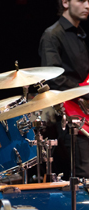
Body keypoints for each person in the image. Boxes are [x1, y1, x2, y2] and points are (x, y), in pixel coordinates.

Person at [39, 0, 89, 180]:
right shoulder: (52, 35)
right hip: (69, 114)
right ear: (65, 2)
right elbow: (53, 78)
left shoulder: (80, 34)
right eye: (82, 0)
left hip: (84, 109)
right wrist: (85, 92)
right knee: (84, 175)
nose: (87, 6)